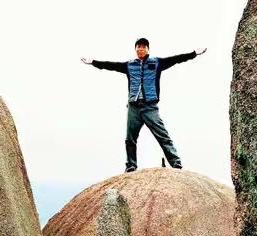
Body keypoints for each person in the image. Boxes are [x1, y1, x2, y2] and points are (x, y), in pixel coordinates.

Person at [81, 38, 207, 172]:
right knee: (130, 139)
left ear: (148, 49)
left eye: (143, 47)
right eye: (138, 47)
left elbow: (176, 59)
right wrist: (93, 62)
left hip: (150, 107)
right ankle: (131, 166)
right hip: (134, 107)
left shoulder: (157, 62)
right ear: (135, 50)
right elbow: (110, 65)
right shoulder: (129, 65)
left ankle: (176, 163)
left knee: (162, 135)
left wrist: (194, 53)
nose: (140, 49)